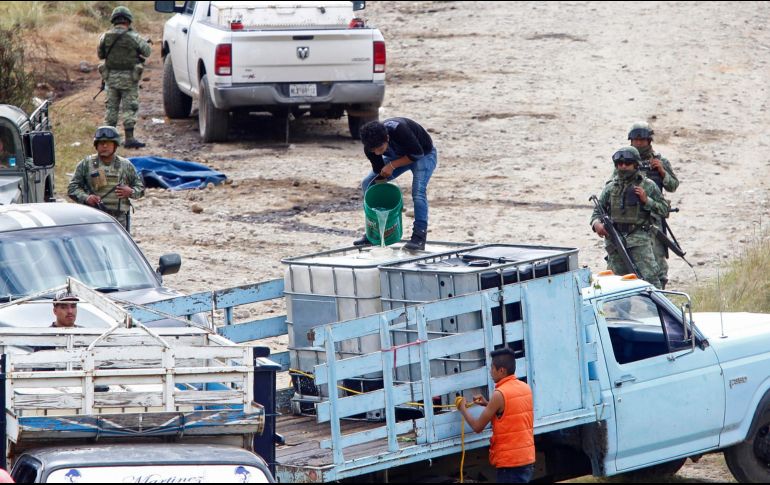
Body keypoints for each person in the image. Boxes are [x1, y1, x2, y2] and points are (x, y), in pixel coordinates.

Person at [354, 118, 438, 251]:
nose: (377, 153)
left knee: (418, 192)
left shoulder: (400, 129)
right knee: (368, 183)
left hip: (424, 155)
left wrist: (392, 165)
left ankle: (419, 237)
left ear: (387, 137)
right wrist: (382, 197)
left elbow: (417, 153)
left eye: (380, 149)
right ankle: (375, 233)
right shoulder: (371, 147)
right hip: (398, 156)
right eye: (374, 151)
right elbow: (379, 171)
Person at [591, 146, 668, 289]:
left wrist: (647, 201)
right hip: (615, 241)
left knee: (650, 281)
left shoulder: (647, 185)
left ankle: (657, 310)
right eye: (620, 164)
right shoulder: (610, 187)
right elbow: (597, 212)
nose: (623, 167)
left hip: (639, 241)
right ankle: (621, 311)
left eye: (627, 163)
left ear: (636, 164)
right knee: (614, 284)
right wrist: (597, 225)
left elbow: (664, 210)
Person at [456, 348, 535, 483]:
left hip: (510, 463)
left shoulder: (499, 394)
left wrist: (462, 408)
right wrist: (487, 404)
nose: (490, 371)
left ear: (501, 370)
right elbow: (509, 412)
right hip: (526, 459)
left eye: (492, 368)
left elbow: (477, 427)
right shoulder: (525, 387)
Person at [628, 121, 680, 289]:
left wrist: (662, 172)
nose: (638, 144)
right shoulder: (625, 161)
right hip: (632, 217)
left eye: (642, 140)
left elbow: (672, 186)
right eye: (635, 141)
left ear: (649, 141)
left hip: (654, 217)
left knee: (657, 261)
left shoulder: (660, 161)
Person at [68, 126, 145, 233]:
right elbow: (72, 188)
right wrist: (86, 198)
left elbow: (140, 188)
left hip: (118, 220)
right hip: (93, 217)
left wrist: (130, 192)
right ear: (96, 145)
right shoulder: (86, 164)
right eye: (101, 143)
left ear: (115, 145)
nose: (104, 146)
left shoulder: (125, 165)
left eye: (108, 143)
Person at [97, 5, 152, 149]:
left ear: (113, 20)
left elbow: (101, 55)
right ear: (128, 20)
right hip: (129, 78)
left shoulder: (105, 36)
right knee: (130, 108)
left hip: (111, 78)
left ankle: (108, 139)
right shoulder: (134, 37)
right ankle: (129, 138)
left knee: (111, 109)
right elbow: (147, 52)